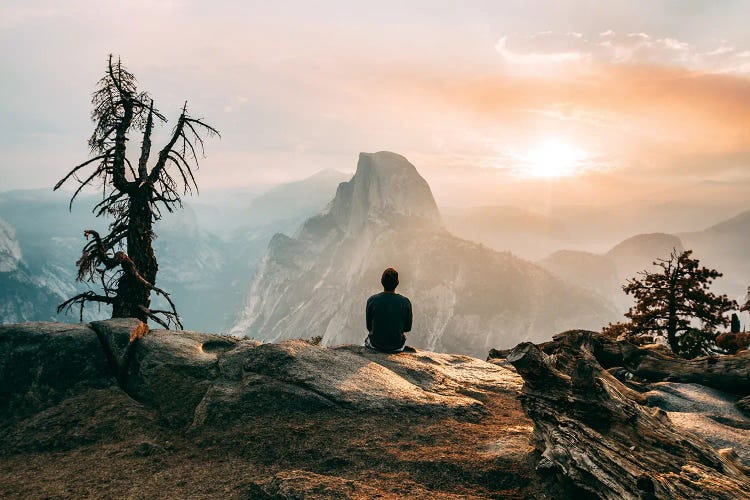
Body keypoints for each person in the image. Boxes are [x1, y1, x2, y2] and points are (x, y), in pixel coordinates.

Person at [365, 267, 413, 352]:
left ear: (381, 281)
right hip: (397, 346)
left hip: (375, 345)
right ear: (397, 283)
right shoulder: (405, 302)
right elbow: (407, 328)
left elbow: (369, 327)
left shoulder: (372, 300)